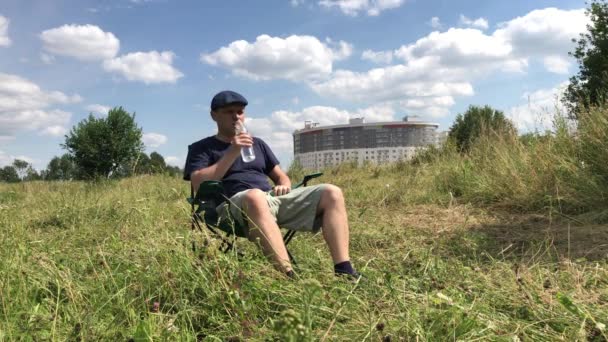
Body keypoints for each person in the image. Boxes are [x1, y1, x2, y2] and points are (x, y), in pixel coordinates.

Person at [184, 90, 359, 279]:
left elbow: (281, 177)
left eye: (240, 111)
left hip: (270, 199)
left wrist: (283, 184)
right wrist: (232, 151)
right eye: (229, 112)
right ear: (214, 115)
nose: (236, 116)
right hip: (230, 207)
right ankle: (288, 275)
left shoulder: (257, 144)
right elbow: (199, 182)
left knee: (331, 192)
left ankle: (344, 270)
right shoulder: (202, 148)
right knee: (254, 195)